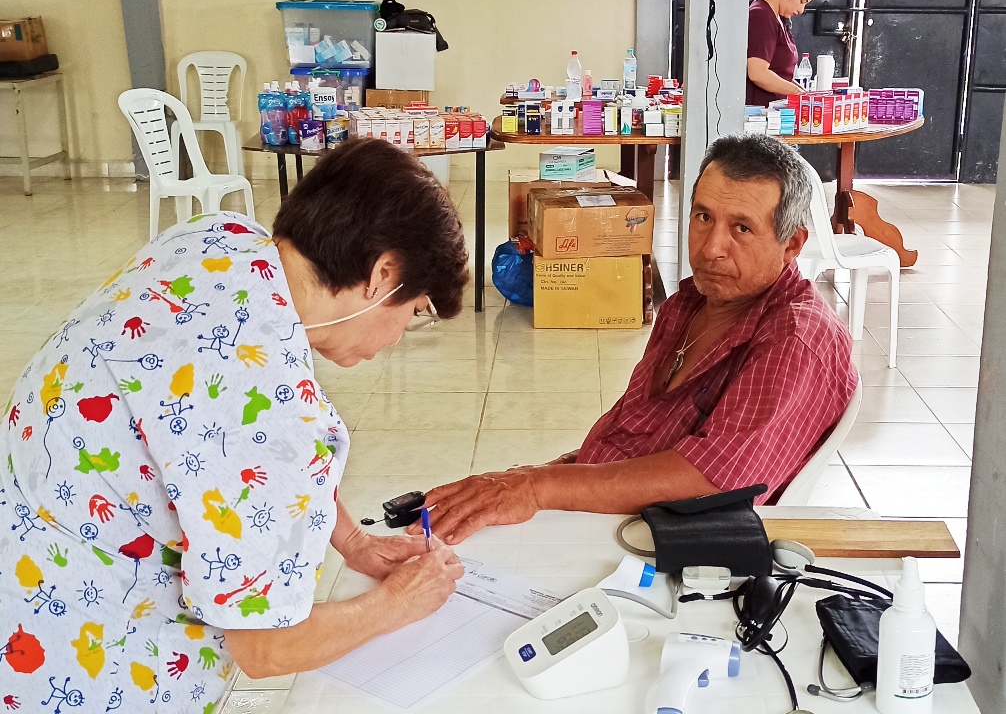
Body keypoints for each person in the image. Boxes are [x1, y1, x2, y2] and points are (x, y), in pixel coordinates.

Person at [0, 138, 469, 713]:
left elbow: (232, 470)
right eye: (414, 310)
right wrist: (397, 602)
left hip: (23, 561)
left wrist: (353, 542)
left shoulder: (220, 241)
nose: (397, 337)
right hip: (82, 656)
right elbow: (265, 647)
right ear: (383, 274)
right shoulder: (272, 409)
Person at [417, 135, 857, 545]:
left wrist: (537, 487)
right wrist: (535, 478)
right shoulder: (689, 303)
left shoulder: (796, 340)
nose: (710, 248)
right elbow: (635, 432)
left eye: (742, 229)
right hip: (611, 512)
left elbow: (713, 480)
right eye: (703, 217)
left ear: (792, 243)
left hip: (659, 543)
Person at [747, 0, 823, 106]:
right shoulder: (761, 16)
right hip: (759, 113)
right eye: (802, 1)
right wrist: (797, 93)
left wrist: (806, 96)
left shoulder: (778, 17)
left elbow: (781, 74)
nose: (802, 10)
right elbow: (757, 73)